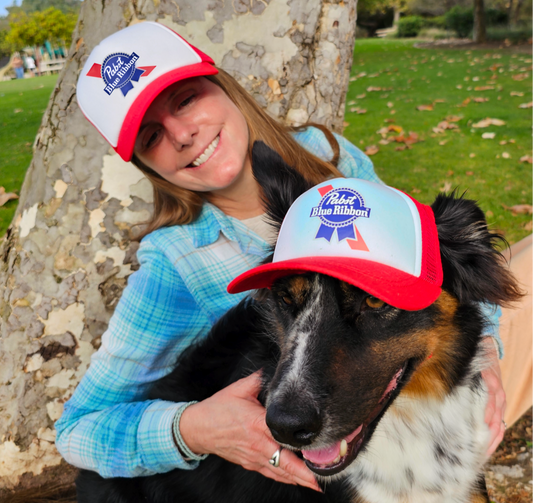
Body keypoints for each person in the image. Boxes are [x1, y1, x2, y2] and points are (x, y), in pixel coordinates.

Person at [55, 21, 529, 489]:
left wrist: (486, 357)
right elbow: (77, 430)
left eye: (185, 99)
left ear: (224, 88)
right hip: (319, 437)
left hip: (410, 391)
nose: (181, 134)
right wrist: (196, 429)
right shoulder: (174, 261)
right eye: (151, 136)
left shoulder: (332, 157)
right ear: (146, 165)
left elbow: (428, 256)